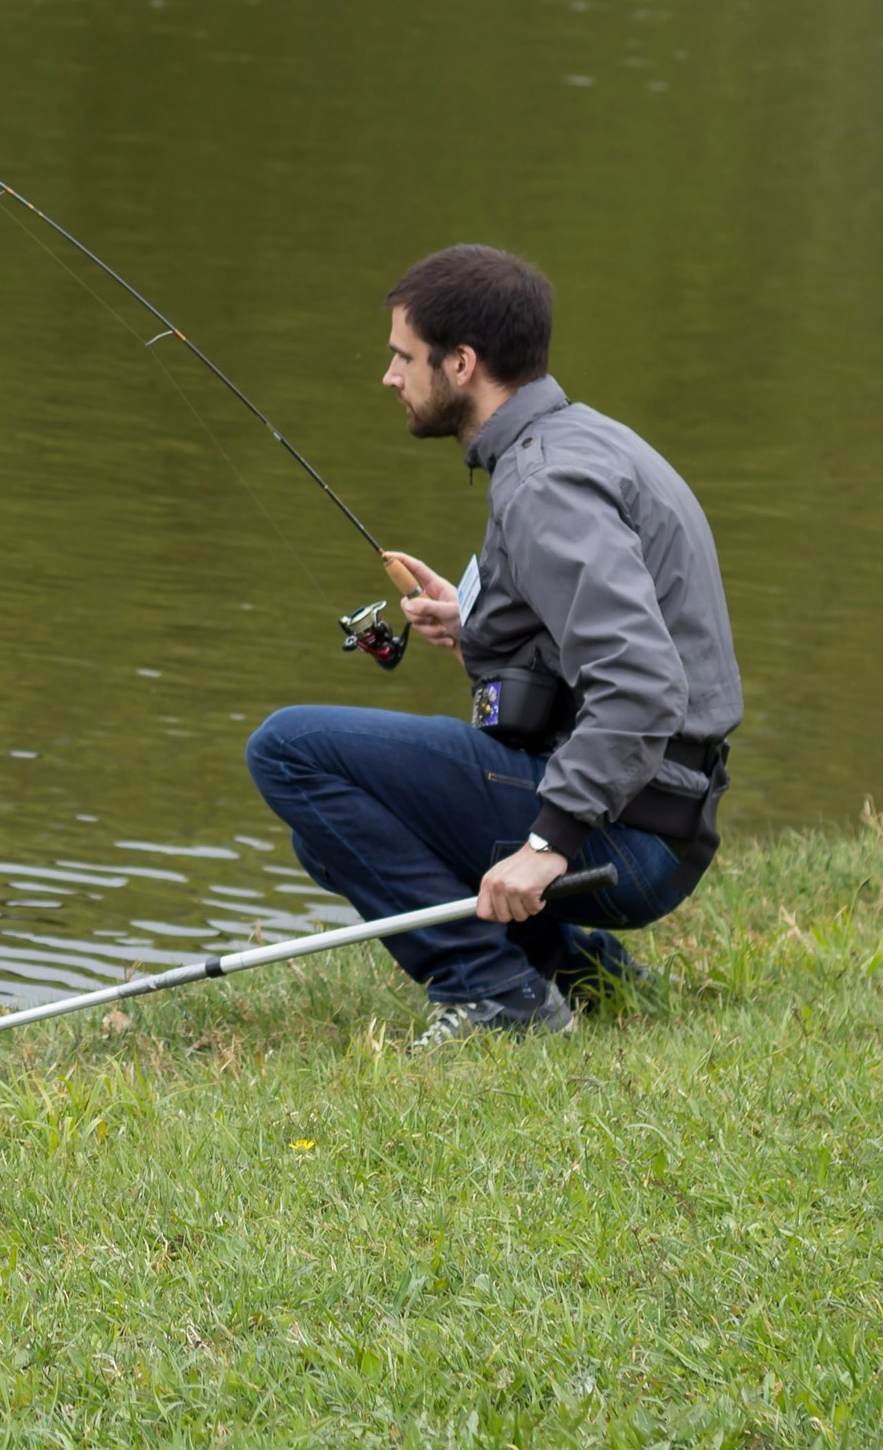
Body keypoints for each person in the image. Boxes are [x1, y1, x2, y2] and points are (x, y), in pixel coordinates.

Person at [245, 245, 742, 1047]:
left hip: (629, 839)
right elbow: (591, 636)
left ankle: (497, 995)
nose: (390, 376)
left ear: (462, 363)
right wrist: (472, 624)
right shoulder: (578, 441)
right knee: (327, 831)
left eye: (404, 356)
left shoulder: (544, 485)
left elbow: (641, 682)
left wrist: (548, 843)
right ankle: (580, 972)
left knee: (287, 750)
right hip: (660, 815)